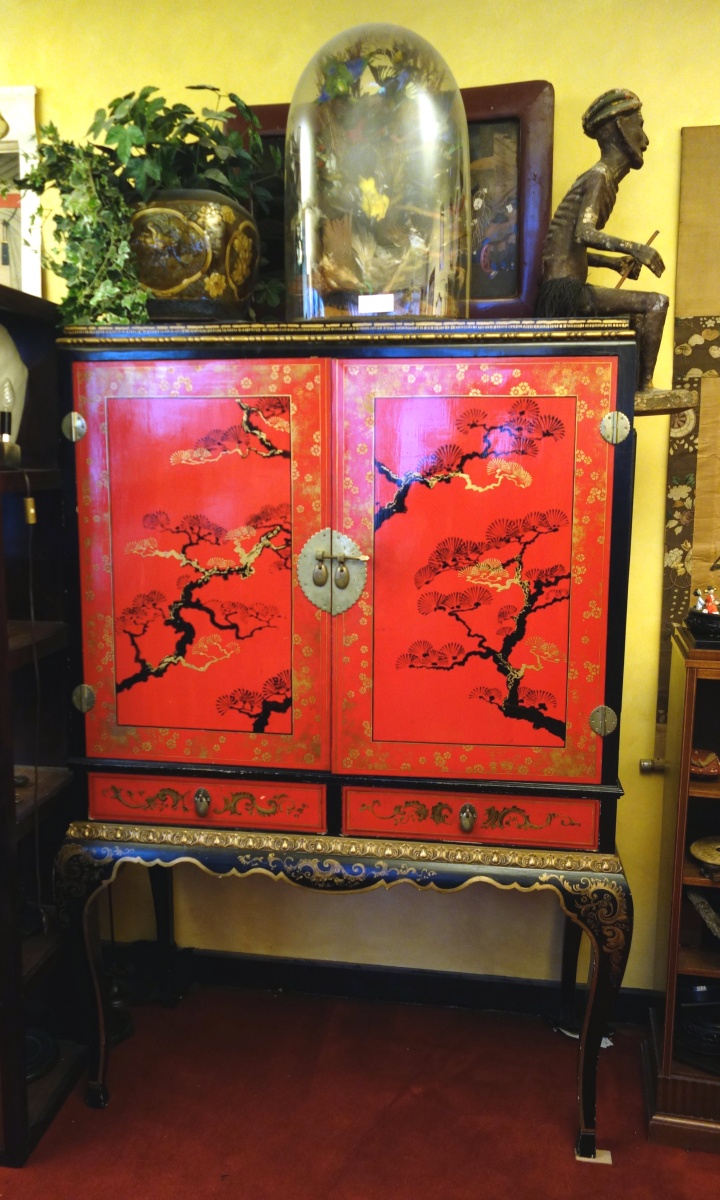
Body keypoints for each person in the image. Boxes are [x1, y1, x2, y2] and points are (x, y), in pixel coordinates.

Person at [536, 89, 668, 393]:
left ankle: (627, 386)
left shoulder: (597, 177)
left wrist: (612, 262)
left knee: (635, 318)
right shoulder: (600, 176)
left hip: (561, 289)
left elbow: (567, 249)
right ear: (621, 127)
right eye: (639, 126)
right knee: (656, 304)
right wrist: (637, 248)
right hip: (565, 294)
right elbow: (584, 233)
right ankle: (644, 389)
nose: (645, 140)